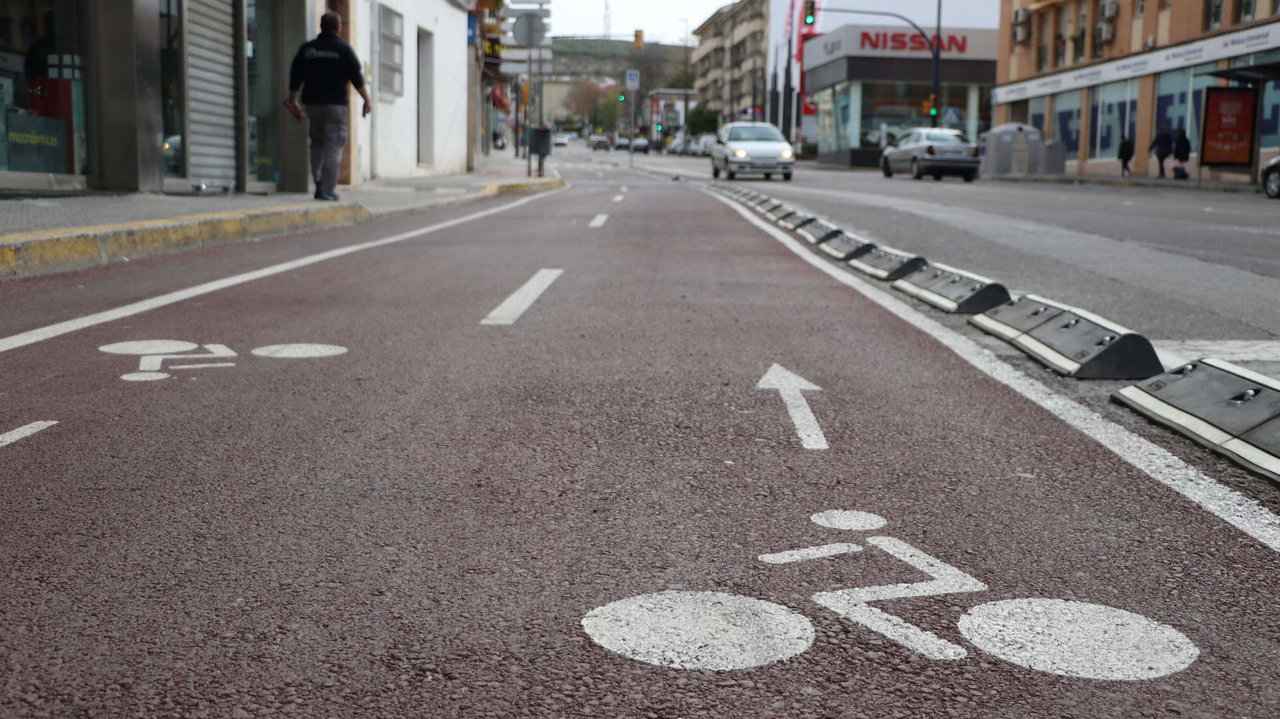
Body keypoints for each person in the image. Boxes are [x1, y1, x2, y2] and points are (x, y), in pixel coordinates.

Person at [287, 12, 371, 201]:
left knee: (316, 142)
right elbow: (357, 78)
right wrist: (367, 99)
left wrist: (293, 99)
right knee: (333, 145)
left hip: (312, 104)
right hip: (335, 105)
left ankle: (318, 182)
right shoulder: (343, 50)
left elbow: (295, 75)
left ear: (321, 27)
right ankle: (327, 189)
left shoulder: (308, 49)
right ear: (338, 28)